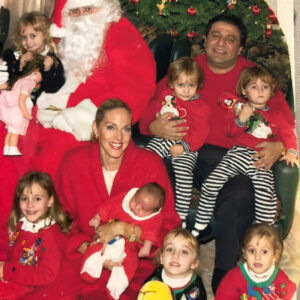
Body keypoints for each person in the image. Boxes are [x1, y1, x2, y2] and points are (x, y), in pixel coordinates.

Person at [139, 13, 295, 293]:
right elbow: (146, 114)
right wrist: (154, 125)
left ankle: (225, 277)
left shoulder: (255, 78)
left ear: (240, 48)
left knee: (241, 192)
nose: (221, 43)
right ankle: (164, 266)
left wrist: (280, 145)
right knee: (157, 163)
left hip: (229, 158)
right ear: (206, 39)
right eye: (216, 35)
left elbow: (284, 119)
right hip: (184, 153)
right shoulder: (185, 70)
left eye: (230, 39)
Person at [0, 0, 156, 244]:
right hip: (40, 111)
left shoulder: (121, 35)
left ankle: (36, 238)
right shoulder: (58, 37)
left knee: (48, 160)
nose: (82, 16)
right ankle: (7, 225)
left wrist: (83, 117)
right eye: (75, 11)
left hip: (83, 123)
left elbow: (133, 88)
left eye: (88, 9)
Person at [32, 99, 180, 299]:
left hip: (129, 267)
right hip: (81, 259)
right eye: (111, 127)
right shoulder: (73, 162)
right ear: (96, 128)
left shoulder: (150, 165)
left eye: (126, 129)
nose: (118, 137)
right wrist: (84, 247)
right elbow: (58, 219)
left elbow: (169, 227)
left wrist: (127, 231)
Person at [192, 66, 298, 237]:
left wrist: (292, 152)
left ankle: (262, 234)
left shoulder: (276, 114)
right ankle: (201, 222)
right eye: (254, 87)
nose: (260, 91)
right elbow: (230, 132)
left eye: (265, 87)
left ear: (271, 91)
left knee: (266, 198)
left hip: (260, 160)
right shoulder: (238, 110)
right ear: (244, 90)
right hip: (237, 155)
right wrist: (241, 118)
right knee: (211, 184)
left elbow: (289, 134)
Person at [145, 57, 210, 227]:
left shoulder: (201, 107)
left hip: (186, 145)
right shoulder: (166, 95)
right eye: (181, 85)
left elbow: (201, 132)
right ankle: (139, 196)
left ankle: (180, 216)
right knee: (146, 158)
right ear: (172, 83)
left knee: (184, 175)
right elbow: (157, 111)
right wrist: (158, 118)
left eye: (192, 85)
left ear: (198, 84)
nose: (187, 90)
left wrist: (184, 147)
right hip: (163, 138)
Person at [80, 182, 165, 299]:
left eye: (144, 209)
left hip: (128, 249)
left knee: (130, 264)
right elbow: (108, 207)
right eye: (136, 201)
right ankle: (89, 272)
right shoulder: (123, 200)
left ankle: (114, 289)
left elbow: (151, 233)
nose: (137, 207)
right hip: (108, 239)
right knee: (94, 249)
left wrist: (147, 246)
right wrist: (97, 217)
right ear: (134, 194)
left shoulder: (154, 219)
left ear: (153, 212)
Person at [0, 171, 72, 300]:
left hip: (30, 287)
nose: (29, 205)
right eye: (24, 199)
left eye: (37, 199)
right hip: (10, 274)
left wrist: (7, 271)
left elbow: (46, 275)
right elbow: (5, 243)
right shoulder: (18, 223)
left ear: (50, 201)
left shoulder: (51, 236)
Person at [215, 223, 297, 299]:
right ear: (244, 253)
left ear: (274, 255)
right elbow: (223, 296)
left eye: (264, 252)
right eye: (252, 251)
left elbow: (292, 295)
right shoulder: (234, 277)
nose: (257, 257)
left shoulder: (279, 278)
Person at [2, 11, 65, 106]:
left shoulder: (52, 60)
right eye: (24, 37)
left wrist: (47, 70)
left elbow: (52, 88)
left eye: (33, 36)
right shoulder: (17, 53)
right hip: (9, 97)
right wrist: (19, 65)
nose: (28, 42)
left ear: (45, 34)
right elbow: (6, 76)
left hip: (29, 104)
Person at [140, 228, 207, 300]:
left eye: (184, 252)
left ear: (194, 263)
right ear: (161, 258)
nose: (175, 255)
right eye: (170, 249)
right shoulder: (153, 281)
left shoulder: (196, 287)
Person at [0, 54, 44, 156]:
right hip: (17, 112)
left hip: (10, 109)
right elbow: (21, 101)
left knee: (10, 131)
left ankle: (7, 148)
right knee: (15, 131)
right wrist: (26, 114)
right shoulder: (29, 82)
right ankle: (13, 148)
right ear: (35, 72)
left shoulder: (21, 78)